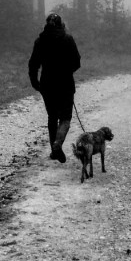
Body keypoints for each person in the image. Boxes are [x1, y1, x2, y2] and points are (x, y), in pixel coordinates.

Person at [28, 12, 81, 163]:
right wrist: (66, 72)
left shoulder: (40, 41)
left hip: (47, 84)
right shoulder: (68, 39)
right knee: (65, 118)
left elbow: (33, 63)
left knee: (52, 116)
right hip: (65, 84)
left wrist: (34, 81)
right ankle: (58, 143)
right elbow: (77, 62)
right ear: (61, 24)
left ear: (46, 24)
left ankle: (54, 150)